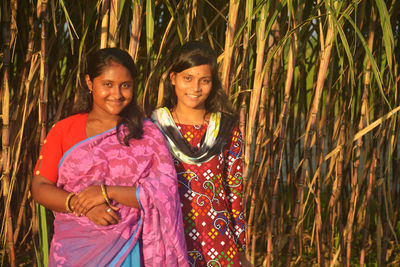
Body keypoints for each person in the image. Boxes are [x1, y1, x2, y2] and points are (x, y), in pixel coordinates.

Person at [32, 48, 188, 267]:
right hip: (73, 250)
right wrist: (81, 205)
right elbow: (40, 186)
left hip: (131, 247)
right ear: (90, 83)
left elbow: (165, 193)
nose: (117, 94)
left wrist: (107, 192)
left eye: (125, 85)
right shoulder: (63, 130)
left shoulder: (147, 134)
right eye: (107, 84)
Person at [151, 41, 250, 267]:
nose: (196, 88)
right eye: (188, 78)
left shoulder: (225, 127)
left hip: (219, 240)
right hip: (169, 237)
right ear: (173, 78)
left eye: (204, 80)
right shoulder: (153, 127)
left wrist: (240, 248)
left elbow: (234, 192)